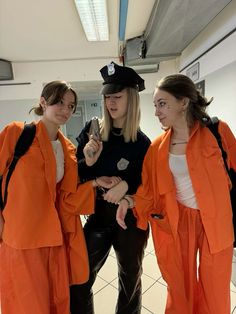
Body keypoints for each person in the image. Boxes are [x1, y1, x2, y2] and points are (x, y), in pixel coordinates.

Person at [116, 74, 236, 313]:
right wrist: (128, 201)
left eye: (162, 103)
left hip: (216, 221)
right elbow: (148, 192)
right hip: (178, 222)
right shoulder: (158, 147)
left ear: (184, 102)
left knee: (215, 287)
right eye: (155, 105)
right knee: (180, 285)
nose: (157, 111)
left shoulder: (217, 132)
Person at [0, 80, 99, 314]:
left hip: (56, 239)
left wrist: (94, 181)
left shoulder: (68, 149)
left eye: (71, 106)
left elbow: (66, 198)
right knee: (27, 304)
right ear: (43, 102)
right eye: (59, 102)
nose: (66, 110)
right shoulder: (17, 134)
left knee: (55, 302)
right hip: (23, 238)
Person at [70, 61, 151, 314]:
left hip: (130, 219)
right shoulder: (92, 133)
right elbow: (74, 175)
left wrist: (127, 185)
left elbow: (148, 183)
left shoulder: (142, 143)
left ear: (132, 99)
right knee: (78, 278)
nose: (110, 103)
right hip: (98, 216)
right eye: (107, 97)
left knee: (130, 283)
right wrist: (88, 161)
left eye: (117, 96)